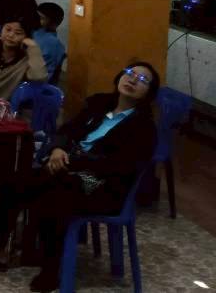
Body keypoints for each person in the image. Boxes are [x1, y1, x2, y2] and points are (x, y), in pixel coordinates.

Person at [21, 61, 159, 292]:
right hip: (70, 168)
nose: (133, 80)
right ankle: (5, 246)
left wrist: (72, 161)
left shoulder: (143, 127)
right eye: (130, 73)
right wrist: (58, 149)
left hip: (104, 185)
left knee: (55, 190)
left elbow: (118, 166)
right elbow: (66, 130)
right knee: (25, 178)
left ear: (149, 93)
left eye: (143, 80)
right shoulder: (99, 105)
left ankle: (51, 268)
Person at [0, 19, 47, 100]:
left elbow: (38, 78)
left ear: (27, 37)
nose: (11, 35)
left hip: (3, 104)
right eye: (8, 29)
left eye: (18, 33)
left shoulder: (28, 57)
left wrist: (33, 48)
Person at [32, 3, 66, 81]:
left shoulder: (54, 44)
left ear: (54, 22)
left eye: (41, 18)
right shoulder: (34, 31)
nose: (36, 20)